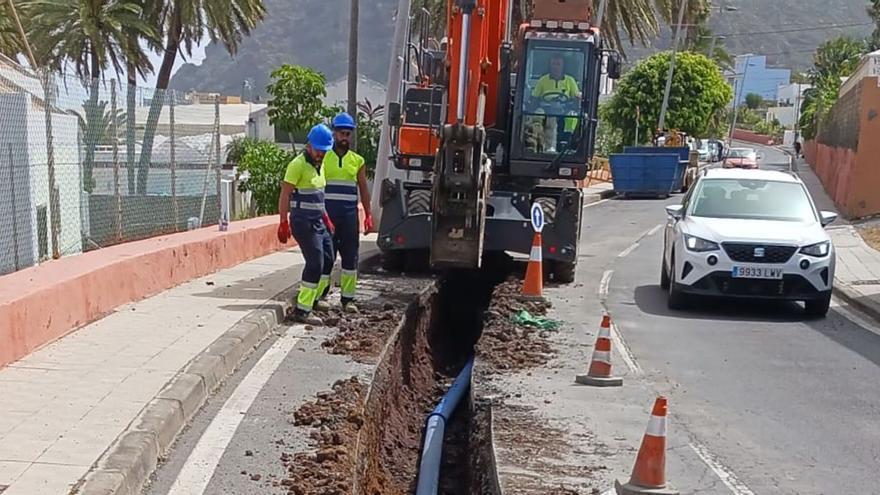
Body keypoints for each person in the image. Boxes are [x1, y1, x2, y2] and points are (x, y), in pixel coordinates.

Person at [277, 123, 337, 326]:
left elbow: (318, 197)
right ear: (310, 145)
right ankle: (303, 310)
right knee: (315, 263)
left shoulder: (320, 166)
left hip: (319, 220)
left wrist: (326, 217)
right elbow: (285, 194)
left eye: (324, 151)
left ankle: (315, 297)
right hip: (303, 221)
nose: (321, 154)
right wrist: (283, 221)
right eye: (319, 150)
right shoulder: (297, 165)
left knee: (329, 258)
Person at [316, 112, 374, 313]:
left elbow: (364, 190)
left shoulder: (357, 161)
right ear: (334, 133)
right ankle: (321, 296)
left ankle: (348, 299)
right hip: (327, 216)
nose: (345, 138)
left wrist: (368, 214)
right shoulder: (323, 158)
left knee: (350, 258)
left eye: (348, 134)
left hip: (349, 217)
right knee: (326, 256)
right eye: (341, 133)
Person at [530, 53, 582, 153]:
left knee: (573, 117)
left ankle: (569, 145)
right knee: (537, 115)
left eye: (558, 64)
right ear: (550, 65)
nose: (556, 67)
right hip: (546, 109)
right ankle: (536, 145)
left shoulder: (570, 80)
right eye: (553, 64)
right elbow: (534, 98)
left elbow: (576, 97)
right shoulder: (543, 80)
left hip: (564, 109)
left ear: (563, 66)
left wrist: (577, 97)